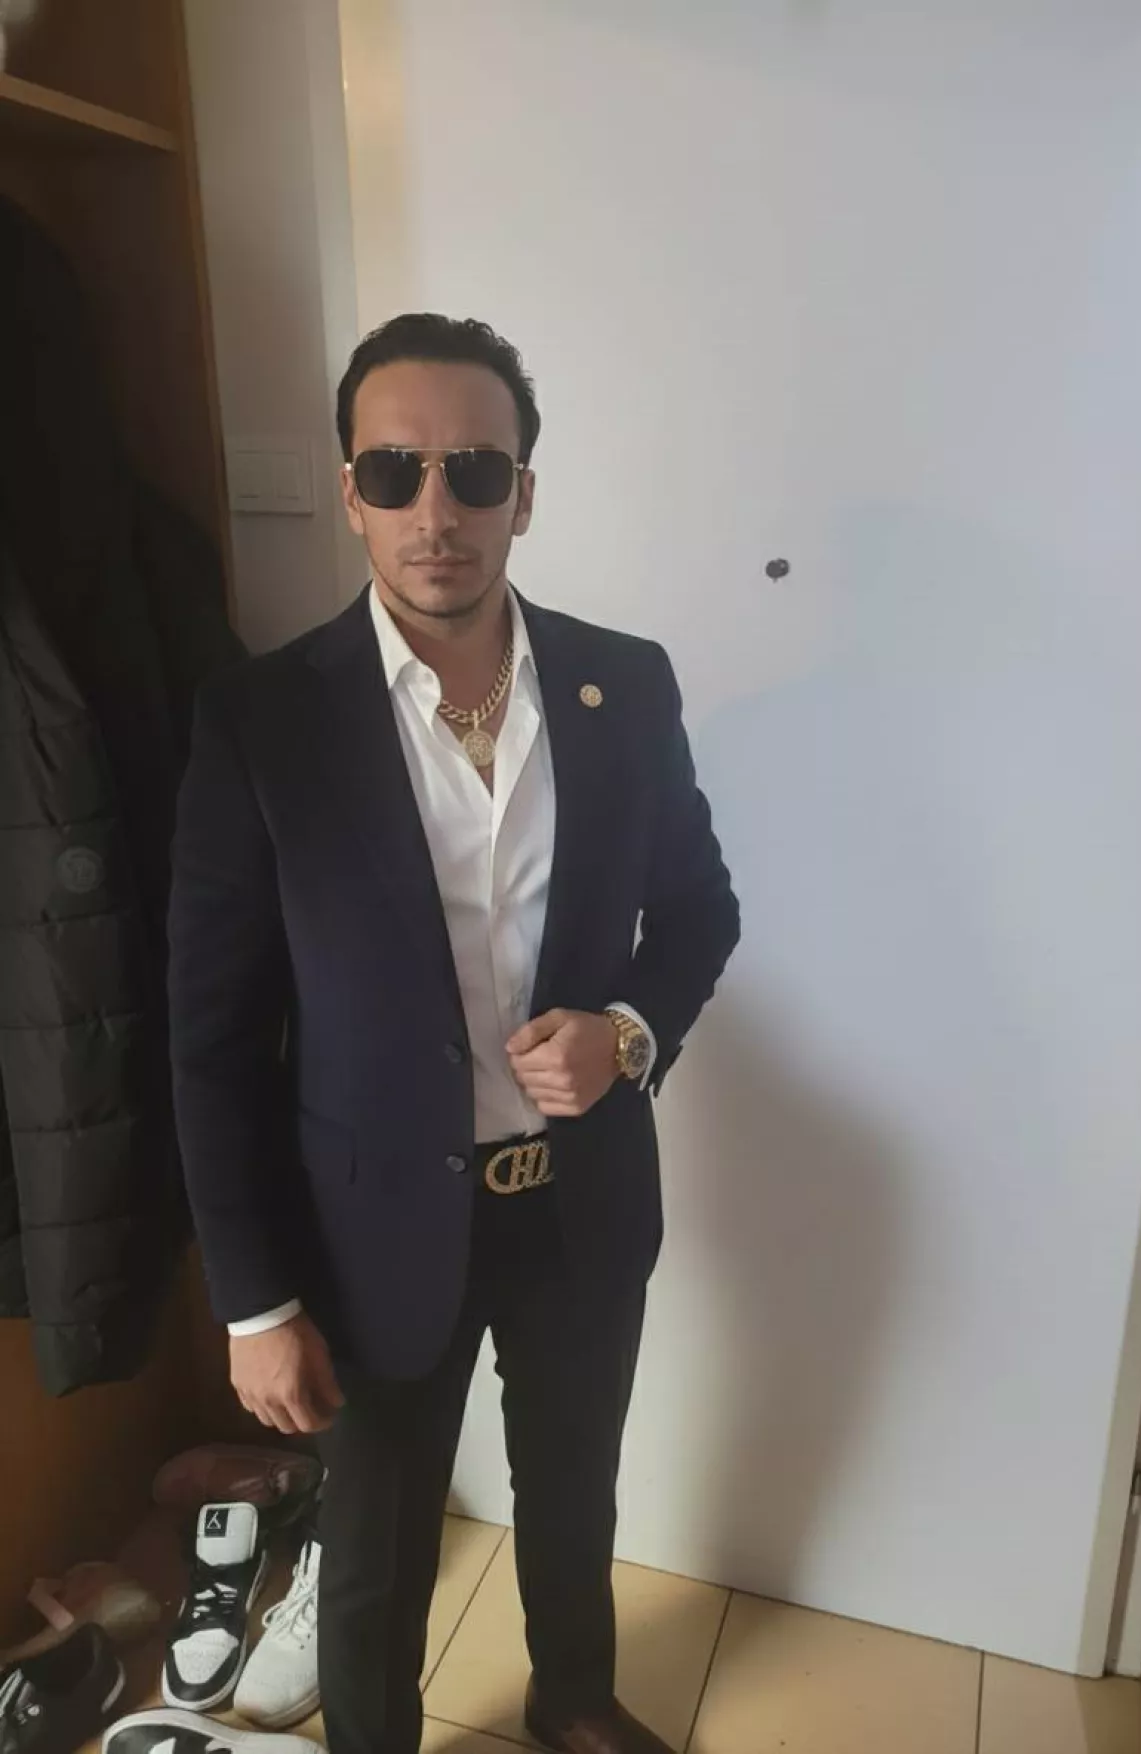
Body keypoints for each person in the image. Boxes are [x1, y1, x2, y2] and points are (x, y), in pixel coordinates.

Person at [168, 313, 741, 1754]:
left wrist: (629, 1031)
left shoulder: (625, 685)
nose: (438, 510)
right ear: (352, 491)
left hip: (581, 1200)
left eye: (476, 470)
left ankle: (573, 1699)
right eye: (398, 470)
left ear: (523, 494)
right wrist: (254, 1301)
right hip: (367, 1225)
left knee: (574, 1491)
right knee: (375, 1539)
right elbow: (214, 1037)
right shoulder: (260, 722)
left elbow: (699, 910)